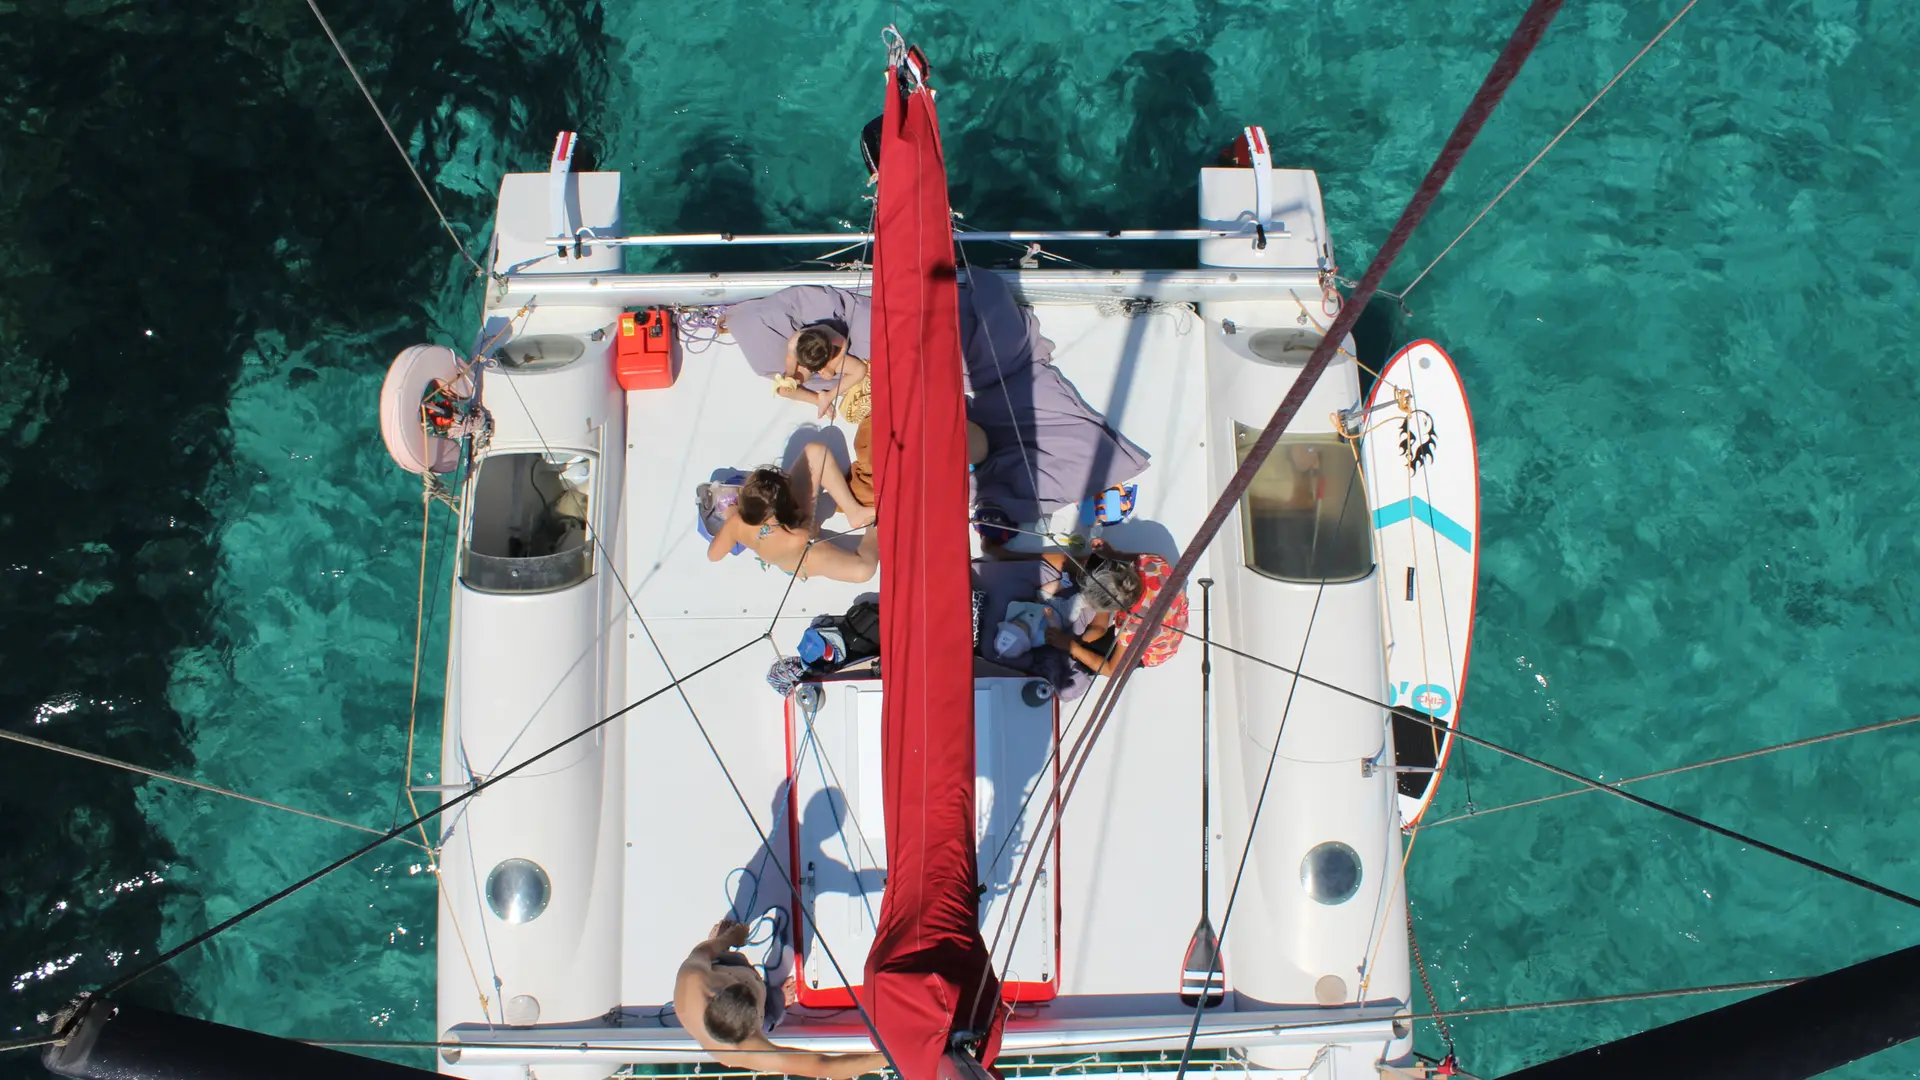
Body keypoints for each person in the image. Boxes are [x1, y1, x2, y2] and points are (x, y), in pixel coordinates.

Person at [673, 918, 887, 1079]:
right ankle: (778, 1000)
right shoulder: (750, 1050)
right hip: (761, 1011)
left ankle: (724, 946)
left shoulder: (693, 976)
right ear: (753, 1025)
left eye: (737, 983)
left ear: (715, 992)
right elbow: (824, 1066)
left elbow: (702, 951)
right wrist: (888, 1057)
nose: (748, 982)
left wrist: (728, 938)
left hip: (725, 964)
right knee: (773, 1014)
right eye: (751, 989)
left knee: (715, 949)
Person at [706, 457, 879, 582]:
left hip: (787, 548)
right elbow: (813, 529)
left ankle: (855, 511)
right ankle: (874, 528)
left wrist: (730, 514)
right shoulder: (796, 537)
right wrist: (804, 517)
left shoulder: (735, 523)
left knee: (816, 453)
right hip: (804, 559)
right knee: (863, 570)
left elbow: (713, 555)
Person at [1035, 539, 1189, 677]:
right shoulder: (1152, 563)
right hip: (1172, 614)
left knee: (1086, 658)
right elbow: (1133, 558)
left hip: (1157, 648)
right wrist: (1113, 554)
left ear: (1113, 610)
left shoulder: (1131, 627)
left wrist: (1072, 647)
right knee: (1092, 562)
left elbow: (1112, 670)